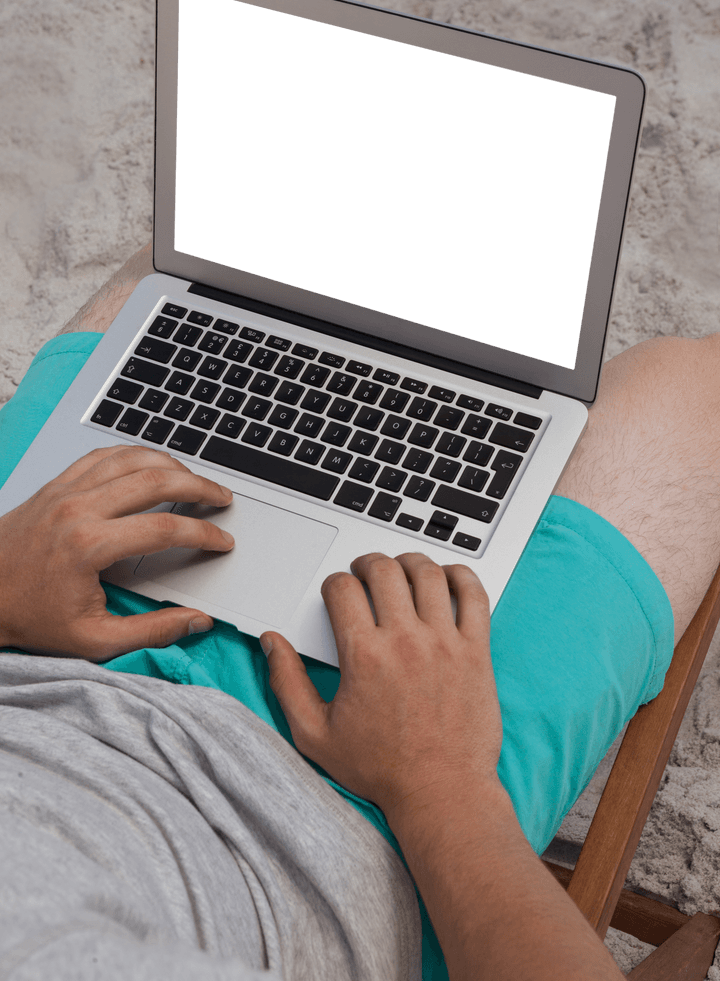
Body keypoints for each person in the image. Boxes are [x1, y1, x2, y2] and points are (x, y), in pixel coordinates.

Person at [1, 241, 717, 980]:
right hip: (343, 807)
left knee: (192, 264)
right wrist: (441, 780)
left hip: (22, 622)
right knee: (694, 389)